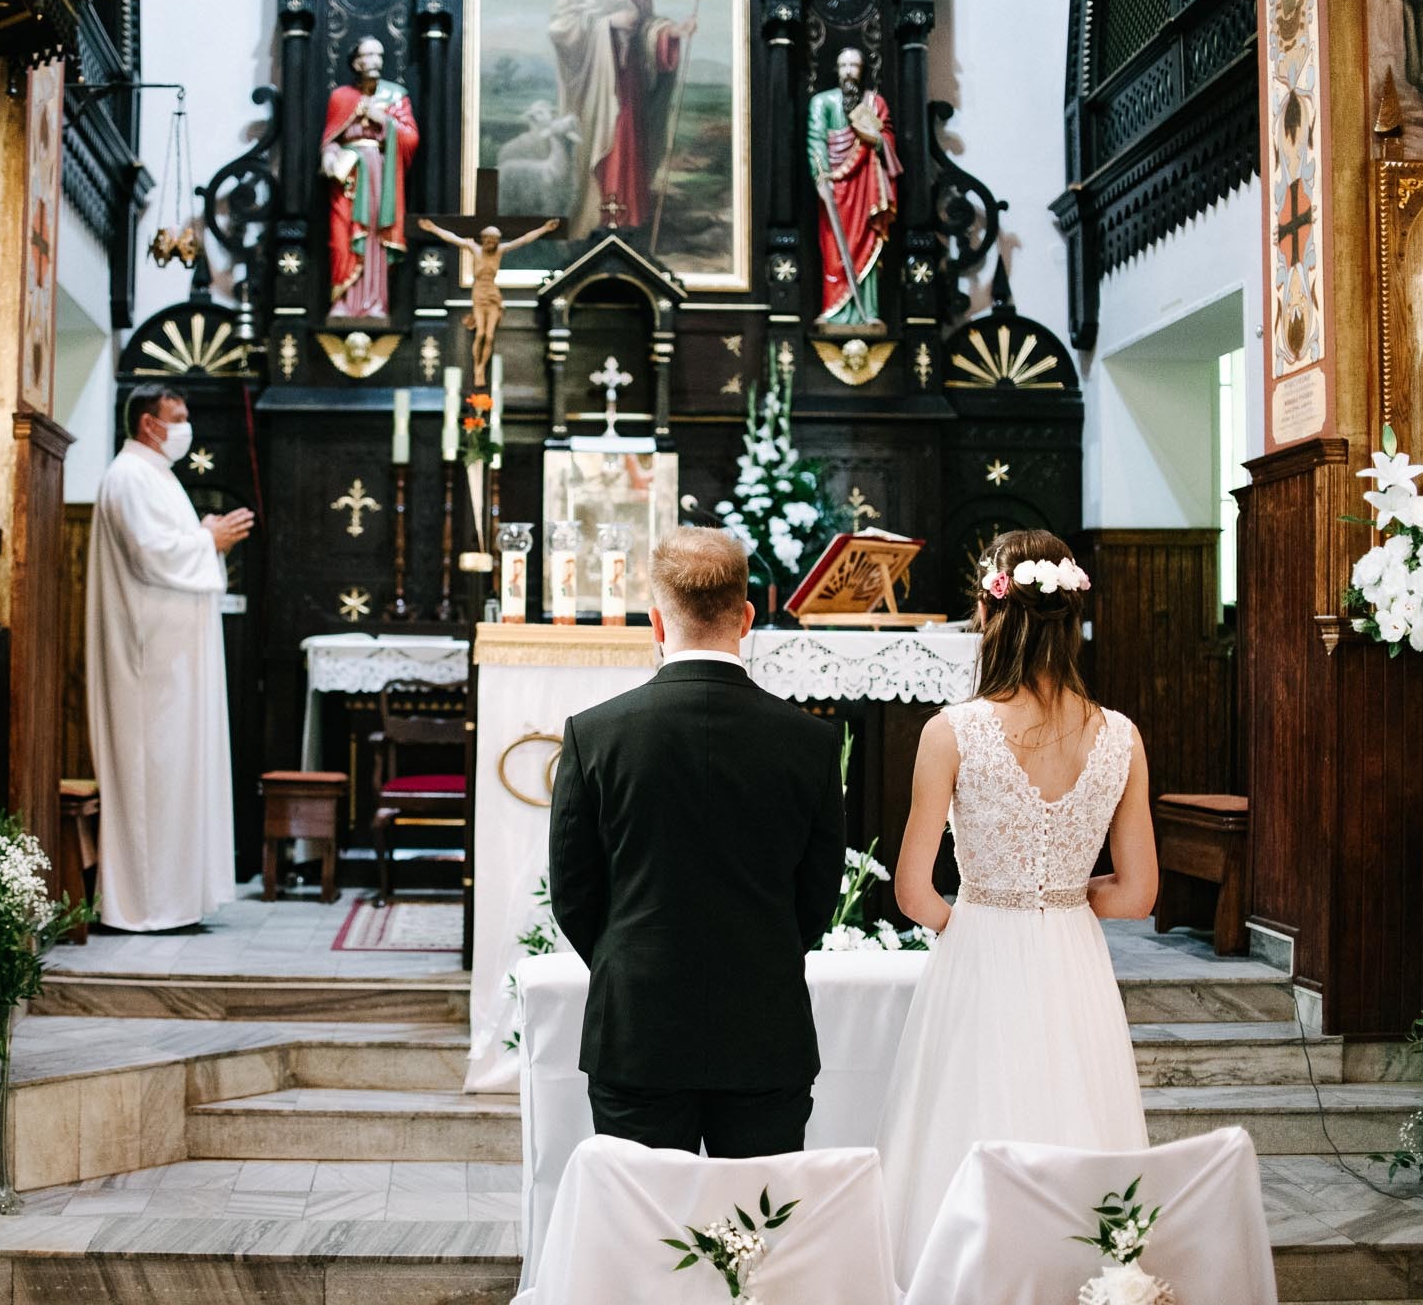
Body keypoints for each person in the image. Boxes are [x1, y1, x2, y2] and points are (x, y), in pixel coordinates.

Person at [877, 529, 1156, 1286]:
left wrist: (975, 921)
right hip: (1074, 956)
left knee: (968, 1131)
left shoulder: (952, 731)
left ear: (988, 609)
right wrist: (1068, 898)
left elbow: (912, 891)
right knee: (1077, 1123)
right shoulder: (1122, 736)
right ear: (1073, 616)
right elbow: (1137, 893)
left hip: (980, 958)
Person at [548, 527, 844, 1155]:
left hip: (637, 1030)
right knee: (760, 1238)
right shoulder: (810, 742)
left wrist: (630, 963)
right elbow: (818, 896)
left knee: (644, 1236)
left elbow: (574, 894)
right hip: (765, 1027)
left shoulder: (596, 736)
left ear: (656, 620)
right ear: (746, 617)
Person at [86, 389, 254, 931]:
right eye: (178, 419)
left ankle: (177, 898)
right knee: (152, 772)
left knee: (176, 773)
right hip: (148, 662)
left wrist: (203, 538)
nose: (187, 427)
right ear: (149, 424)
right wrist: (208, 538)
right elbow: (152, 554)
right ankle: (148, 904)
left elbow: (171, 545)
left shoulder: (155, 475)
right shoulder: (130, 476)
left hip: (171, 657)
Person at [548, 0, 696, 238]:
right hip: (598, 85)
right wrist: (608, 23)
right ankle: (596, 216)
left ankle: (629, 217)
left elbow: (647, 27)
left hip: (630, 82)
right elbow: (561, 27)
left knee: (628, 139)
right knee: (605, 138)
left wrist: (672, 32)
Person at [322, 37, 420, 320]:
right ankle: (342, 299)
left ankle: (375, 302)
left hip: (381, 173)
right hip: (348, 176)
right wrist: (329, 155)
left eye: (379, 55)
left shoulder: (394, 96)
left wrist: (383, 120)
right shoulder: (340, 97)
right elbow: (331, 138)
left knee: (376, 233)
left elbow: (411, 138)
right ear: (356, 62)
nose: (376, 60)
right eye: (369, 55)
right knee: (342, 236)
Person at [806, 45, 900, 328]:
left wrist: (875, 139)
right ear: (836, 69)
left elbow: (887, 140)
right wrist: (821, 178)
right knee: (834, 250)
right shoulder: (822, 102)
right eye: (844, 66)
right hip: (835, 188)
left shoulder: (875, 104)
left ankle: (867, 311)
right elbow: (816, 140)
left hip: (866, 187)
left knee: (867, 243)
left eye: (854, 66)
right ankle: (834, 310)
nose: (849, 72)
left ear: (862, 71)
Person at [417, 217, 560, 386]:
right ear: (483, 239)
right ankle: (477, 369)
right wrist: (433, 228)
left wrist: (544, 229)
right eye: (488, 240)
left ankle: (482, 368)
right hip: (479, 293)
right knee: (480, 333)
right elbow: (452, 238)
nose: (491, 243)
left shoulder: (500, 251)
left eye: (494, 241)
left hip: (493, 294)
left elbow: (523, 240)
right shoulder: (475, 249)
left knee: (490, 336)